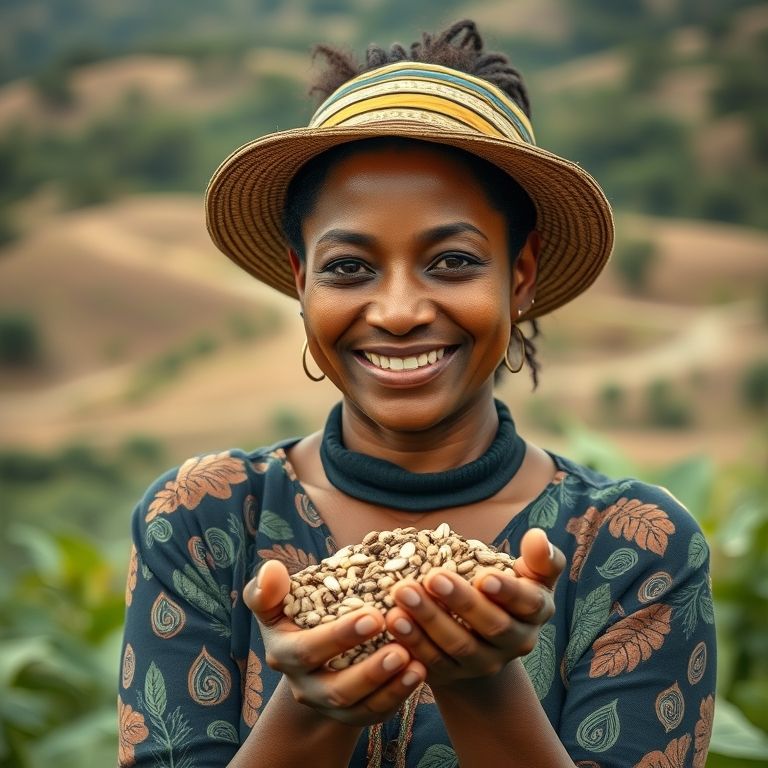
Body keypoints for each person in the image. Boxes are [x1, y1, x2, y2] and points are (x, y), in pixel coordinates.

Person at [118, 20, 716, 768]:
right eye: (348, 268)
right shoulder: (206, 518)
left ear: (519, 276)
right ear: (301, 282)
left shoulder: (632, 545)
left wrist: (485, 683)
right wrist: (314, 710)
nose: (399, 312)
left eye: (454, 261)